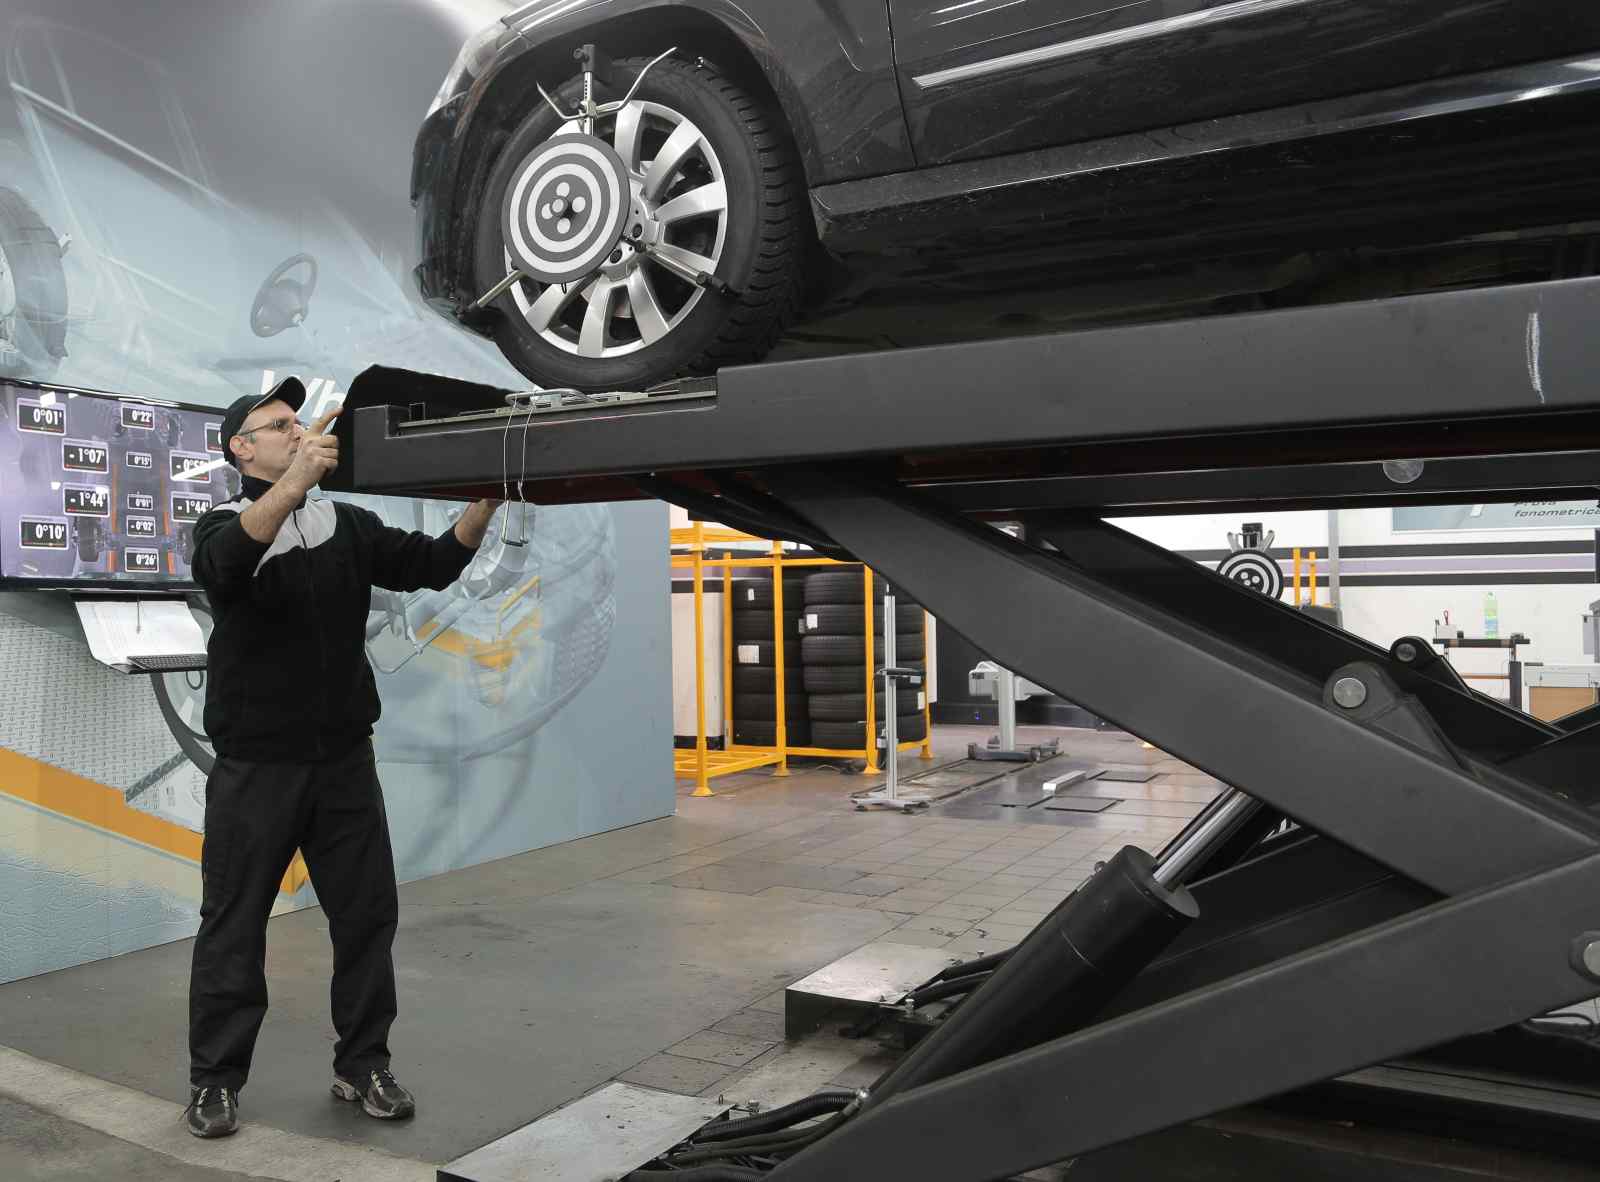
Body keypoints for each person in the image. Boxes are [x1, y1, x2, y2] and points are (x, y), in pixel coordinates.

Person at [183, 376, 498, 1138]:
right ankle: (214, 1081)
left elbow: (431, 562)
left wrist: (485, 502)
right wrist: (296, 479)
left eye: (298, 421)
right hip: (257, 768)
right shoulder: (222, 526)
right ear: (241, 448)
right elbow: (226, 567)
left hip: (344, 765)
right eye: (278, 424)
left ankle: (364, 1065)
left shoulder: (347, 525)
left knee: (366, 921)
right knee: (233, 926)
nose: (296, 430)